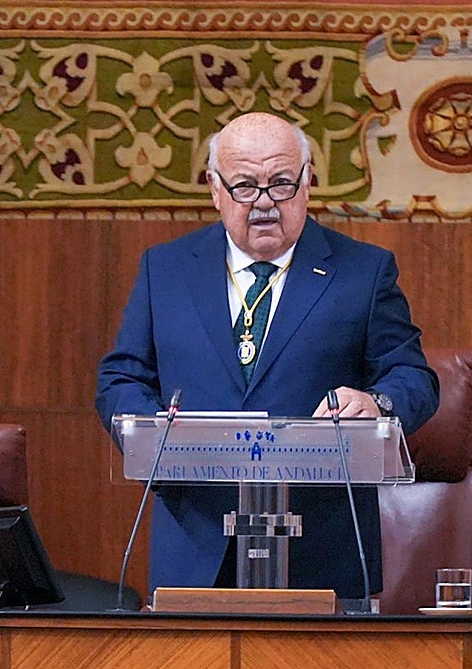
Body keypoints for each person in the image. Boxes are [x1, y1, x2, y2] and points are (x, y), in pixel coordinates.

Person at [95, 111, 439, 599]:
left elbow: (413, 377)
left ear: (308, 183)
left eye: (280, 184)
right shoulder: (166, 270)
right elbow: (120, 378)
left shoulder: (363, 272)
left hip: (321, 549)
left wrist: (377, 404)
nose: (263, 204)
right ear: (215, 188)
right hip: (196, 543)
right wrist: (153, 432)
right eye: (244, 186)